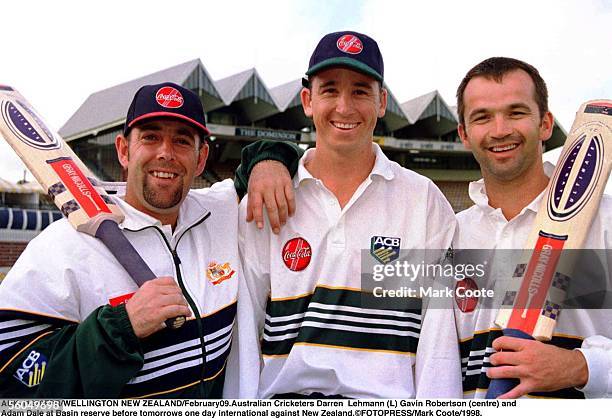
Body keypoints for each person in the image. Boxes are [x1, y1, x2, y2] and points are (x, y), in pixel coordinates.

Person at [0, 82, 300, 398]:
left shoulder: (219, 210)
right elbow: (11, 378)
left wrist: (270, 161)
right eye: (151, 137)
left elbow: (264, 158)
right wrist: (120, 328)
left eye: (182, 141)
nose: (166, 153)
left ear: (201, 160)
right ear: (124, 150)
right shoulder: (63, 246)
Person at [237, 31, 462, 398]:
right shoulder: (266, 198)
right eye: (330, 90)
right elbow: (246, 331)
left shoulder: (423, 201)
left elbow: (437, 340)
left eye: (360, 90)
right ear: (308, 100)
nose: (344, 107)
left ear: (382, 101)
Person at [454, 57, 612, 398]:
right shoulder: (450, 235)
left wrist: (582, 367)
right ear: (464, 134)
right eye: (482, 117)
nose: (500, 130)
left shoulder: (607, 223)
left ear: (545, 124)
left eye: (516, 112)